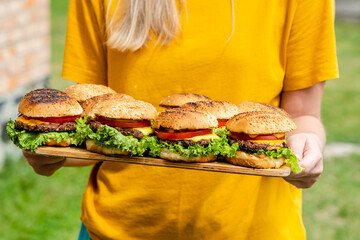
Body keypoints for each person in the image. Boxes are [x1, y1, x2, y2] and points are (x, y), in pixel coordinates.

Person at [24, 0, 338, 239]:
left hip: (256, 229)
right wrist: (51, 151)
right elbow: (89, 118)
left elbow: (304, 115)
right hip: (116, 229)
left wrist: (306, 148)